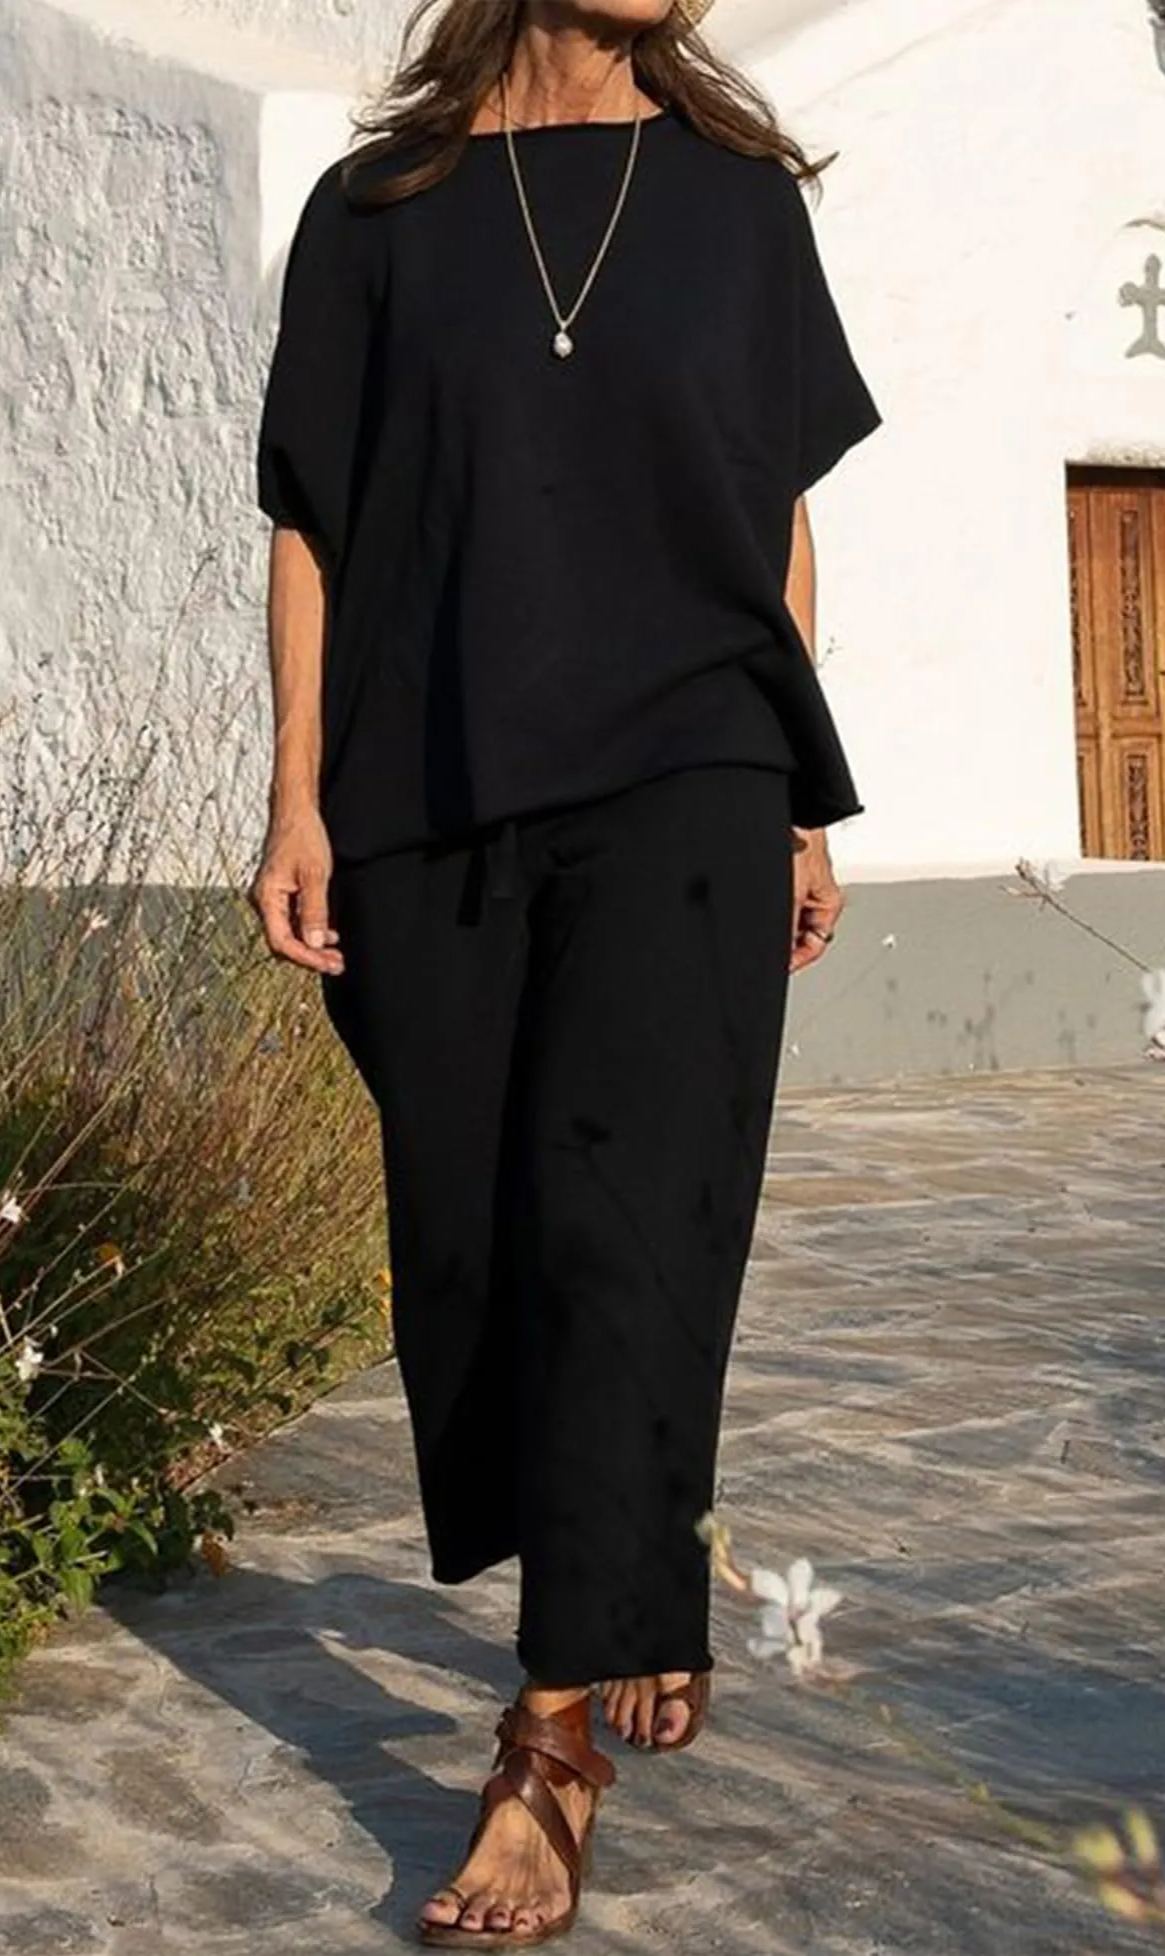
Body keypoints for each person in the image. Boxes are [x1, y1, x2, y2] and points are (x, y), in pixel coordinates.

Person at [250, 0, 882, 1943]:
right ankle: (632, 1572)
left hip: (690, 771)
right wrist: (294, 792)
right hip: (429, 785)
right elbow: (311, 519)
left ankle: (550, 1737)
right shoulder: (377, 212)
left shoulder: (738, 203)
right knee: (476, 1241)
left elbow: (773, 512)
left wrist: (797, 797)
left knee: (628, 1222)